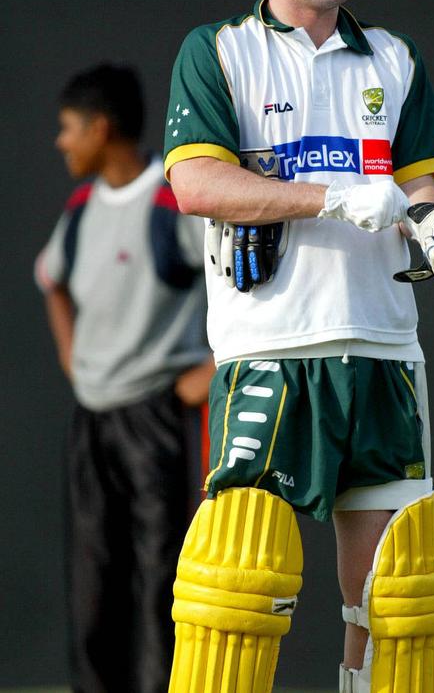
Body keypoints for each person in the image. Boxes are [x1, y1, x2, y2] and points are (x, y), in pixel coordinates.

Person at [162, 0, 434, 693]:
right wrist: (333, 196)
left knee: (397, 604)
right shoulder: (221, 51)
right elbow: (196, 180)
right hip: (269, 348)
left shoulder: (393, 57)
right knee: (235, 591)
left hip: (383, 352)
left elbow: (422, 187)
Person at [34, 63, 214, 693]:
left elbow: (246, 278)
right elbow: (49, 278)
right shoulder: (82, 207)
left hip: (158, 422)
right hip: (92, 423)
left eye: (68, 128)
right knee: (92, 586)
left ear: (101, 128)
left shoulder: (173, 198)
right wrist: (71, 357)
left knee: (162, 585)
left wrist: (214, 368)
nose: (60, 142)